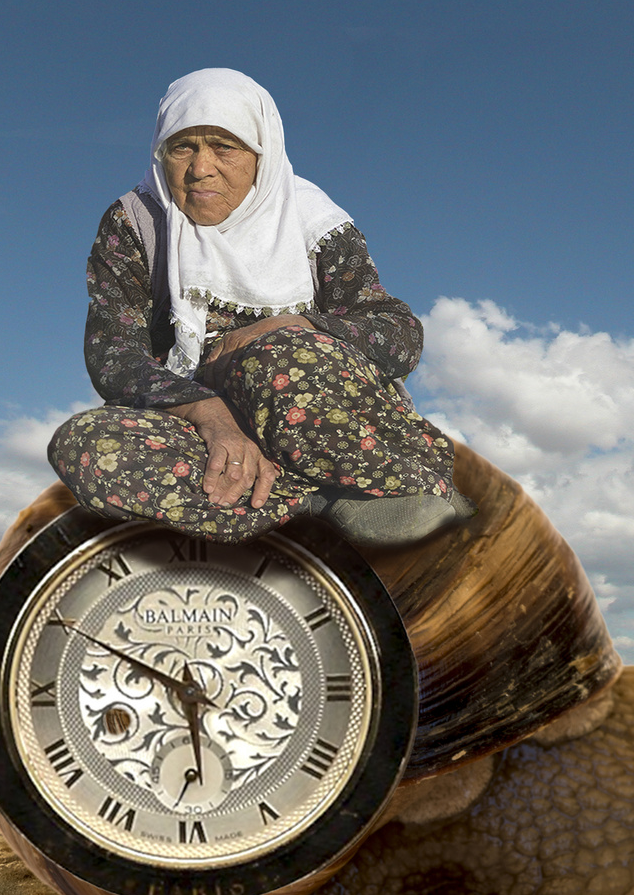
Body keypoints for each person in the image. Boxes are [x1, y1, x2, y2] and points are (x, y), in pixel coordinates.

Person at [48, 68, 469, 546]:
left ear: (261, 154)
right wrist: (208, 412)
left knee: (278, 360)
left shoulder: (316, 224)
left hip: (316, 412)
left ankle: (409, 478)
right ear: (159, 153)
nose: (201, 167)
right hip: (208, 421)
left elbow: (400, 336)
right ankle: (311, 501)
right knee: (86, 444)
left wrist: (298, 324)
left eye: (224, 147)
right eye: (182, 147)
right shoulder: (138, 222)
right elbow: (114, 356)